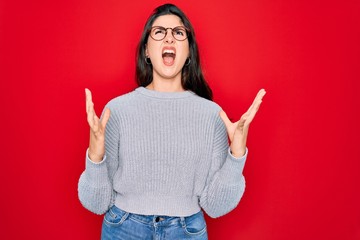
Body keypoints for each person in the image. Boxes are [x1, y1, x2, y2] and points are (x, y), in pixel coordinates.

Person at [78, 3, 266, 240]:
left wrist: (237, 154)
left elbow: (216, 206)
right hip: (124, 229)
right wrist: (95, 157)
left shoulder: (212, 115)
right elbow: (96, 203)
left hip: (187, 232)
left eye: (178, 32)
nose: (169, 38)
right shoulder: (116, 111)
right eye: (159, 32)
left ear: (189, 51)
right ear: (147, 49)